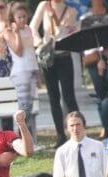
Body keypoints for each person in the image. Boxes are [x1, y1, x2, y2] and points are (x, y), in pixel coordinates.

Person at [30, 0, 80, 147]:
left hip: (64, 56)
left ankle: (76, 130)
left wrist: (67, 25)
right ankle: (60, 135)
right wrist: (39, 43)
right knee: (53, 97)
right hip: (48, 57)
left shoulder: (71, 10)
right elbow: (33, 26)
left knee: (68, 96)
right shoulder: (43, 6)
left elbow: (67, 32)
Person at [5, 2, 39, 139]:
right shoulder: (8, 32)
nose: (22, 20)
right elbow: (18, 51)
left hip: (33, 70)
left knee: (29, 108)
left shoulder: (29, 29)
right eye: (19, 17)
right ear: (13, 18)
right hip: (21, 72)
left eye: (24, 17)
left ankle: (29, 139)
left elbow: (32, 51)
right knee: (24, 108)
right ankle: (22, 137)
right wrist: (17, 33)